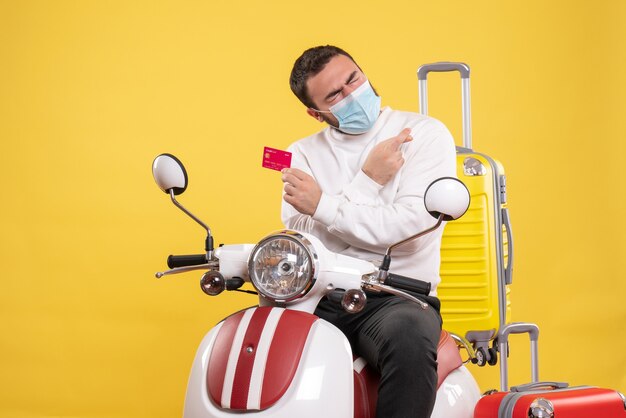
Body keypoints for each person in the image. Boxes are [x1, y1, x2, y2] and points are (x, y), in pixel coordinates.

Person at [281, 45, 456, 418]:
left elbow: (412, 232)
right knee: (261, 339)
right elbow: (304, 243)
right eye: (335, 95)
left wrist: (323, 206)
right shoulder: (302, 153)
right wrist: (369, 180)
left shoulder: (424, 134)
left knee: (408, 339)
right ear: (316, 113)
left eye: (353, 79)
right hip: (319, 296)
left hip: (396, 296)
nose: (352, 94)